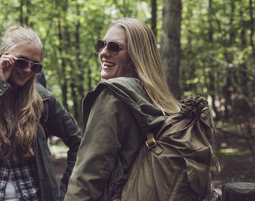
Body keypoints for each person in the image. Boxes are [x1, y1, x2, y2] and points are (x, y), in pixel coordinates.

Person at [0, 26, 82, 201]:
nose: (27, 70)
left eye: (35, 66)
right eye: (22, 61)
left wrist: (65, 194)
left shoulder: (44, 99)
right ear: (4, 57)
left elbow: (78, 143)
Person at [64, 18, 180, 201]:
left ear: (135, 55)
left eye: (114, 47)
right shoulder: (158, 98)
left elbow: (88, 175)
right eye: (101, 45)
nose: (103, 52)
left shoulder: (112, 96)